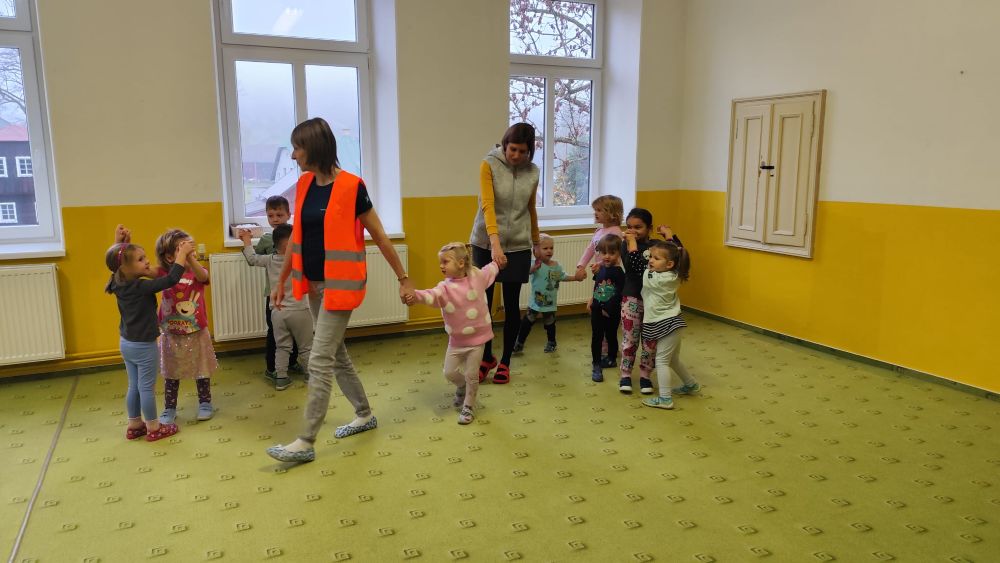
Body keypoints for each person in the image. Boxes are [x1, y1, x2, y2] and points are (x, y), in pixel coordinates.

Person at [266, 117, 414, 463]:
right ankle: (364, 414)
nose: (293, 155)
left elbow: (379, 236)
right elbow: (297, 238)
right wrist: (281, 281)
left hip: (341, 286)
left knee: (319, 360)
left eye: (297, 148)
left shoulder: (352, 186)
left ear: (314, 148)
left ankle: (305, 442)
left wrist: (403, 277)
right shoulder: (304, 184)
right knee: (337, 353)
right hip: (314, 285)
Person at [104, 224, 191, 441]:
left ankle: (134, 424)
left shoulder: (116, 282)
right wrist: (182, 254)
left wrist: (120, 243)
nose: (147, 261)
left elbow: (116, 263)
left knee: (133, 386)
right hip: (144, 346)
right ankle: (153, 427)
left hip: (126, 343)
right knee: (146, 388)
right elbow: (171, 280)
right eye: (140, 259)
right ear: (126, 267)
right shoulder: (140, 287)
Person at [469, 122, 540, 384]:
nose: (516, 156)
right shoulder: (488, 164)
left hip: (518, 245)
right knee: (484, 304)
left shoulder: (533, 172)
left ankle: (506, 361)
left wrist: (535, 241)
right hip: (485, 243)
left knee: (511, 305)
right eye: (513, 149)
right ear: (505, 145)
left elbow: (530, 208)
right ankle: (486, 357)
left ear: (530, 151)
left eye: (523, 151)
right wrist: (495, 244)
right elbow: (487, 205)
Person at [405, 243, 502, 425]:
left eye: (445, 262)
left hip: (478, 340)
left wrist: (498, 263)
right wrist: (414, 295)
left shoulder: (476, 276)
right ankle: (462, 386)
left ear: (460, 263)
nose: (441, 266)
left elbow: (490, 270)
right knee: (449, 372)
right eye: (440, 262)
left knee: (472, 375)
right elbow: (431, 295)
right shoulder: (445, 288)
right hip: (457, 341)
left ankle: (468, 406)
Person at [155, 228, 218, 423]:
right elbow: (144, 272)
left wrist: (189, 257)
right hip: (171, 332)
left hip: (196, 330)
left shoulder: (196, 272)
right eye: (182, 249)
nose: (189, 252)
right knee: (171, 371)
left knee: (201, 368)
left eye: (190, 247)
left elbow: (204, 277)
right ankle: (169, 407)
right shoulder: (163, 274)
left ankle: (205, 403)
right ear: (169, 257)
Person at [240, 224, 312, 391]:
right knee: (306, 346)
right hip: (300, 311)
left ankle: (281, 378)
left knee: (282, 347)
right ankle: (311, 375)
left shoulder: (269, 260)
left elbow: (251, 258)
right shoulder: (301, 260)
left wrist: (247, 240)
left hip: (278, 312)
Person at [619, 210, 683, 394]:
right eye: (629, 227)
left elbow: (677, 255)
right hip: (632, 298)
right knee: (630, 339)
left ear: (649, 228)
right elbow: (634, 267)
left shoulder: (656, 246)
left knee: (650, 341)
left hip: (653, 303)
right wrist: (631, 243)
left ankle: (645, 375)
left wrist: (670, 236)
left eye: (638, 227)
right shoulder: (626, 244)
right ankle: (625, 374)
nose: (633, 231)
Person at [637, 240, 698, 410]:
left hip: (665, 324)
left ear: (670, 264)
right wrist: (669, 240)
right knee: (673, 360)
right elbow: (673, 254)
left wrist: (637, 250)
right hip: (673, 323)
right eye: (651, 256)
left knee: (662, 361)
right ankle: (690, 384)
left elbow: (645, 273)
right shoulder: (673, 274)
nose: (651, 260)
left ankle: (665, 398)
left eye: (656, 258)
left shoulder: (657, 278)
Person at [254, 195, 302, 382]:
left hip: (294, 292)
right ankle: (272, 368)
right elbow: (257, 256)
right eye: (270, 215)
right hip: (274, 294)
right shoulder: (267, 239)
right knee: (275, 332)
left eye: (279, 215)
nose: (275, 219)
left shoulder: (296, 235)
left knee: (296, 329)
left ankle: (291, 362)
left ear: (289, 214)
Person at [513, 233, 575, 353]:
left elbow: (563, 277)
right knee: (527, 321)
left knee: (550, 323)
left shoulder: (556, 266)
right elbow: (525, 273)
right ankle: (519, 342)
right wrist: (533, 268)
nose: (549, 251)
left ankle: (552, 342)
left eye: (551, 248)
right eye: (545, 248)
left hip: (550, 302)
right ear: (535, 251)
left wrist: (576, 278)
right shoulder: (535, 264)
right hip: (535, 301)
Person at [587, 234, 626, 382]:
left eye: (612, 253)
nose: (607, 256)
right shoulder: (601, 268)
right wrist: (592, 300)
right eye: (604, 253)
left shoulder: (619, 273)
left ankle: (611, 358)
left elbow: (619, 293)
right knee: (596, 336)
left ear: (619, 253)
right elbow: (598, 286)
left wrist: (608, 308)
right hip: (597, 309)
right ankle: (596, 364)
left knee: (611, 335)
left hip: (611, 312)